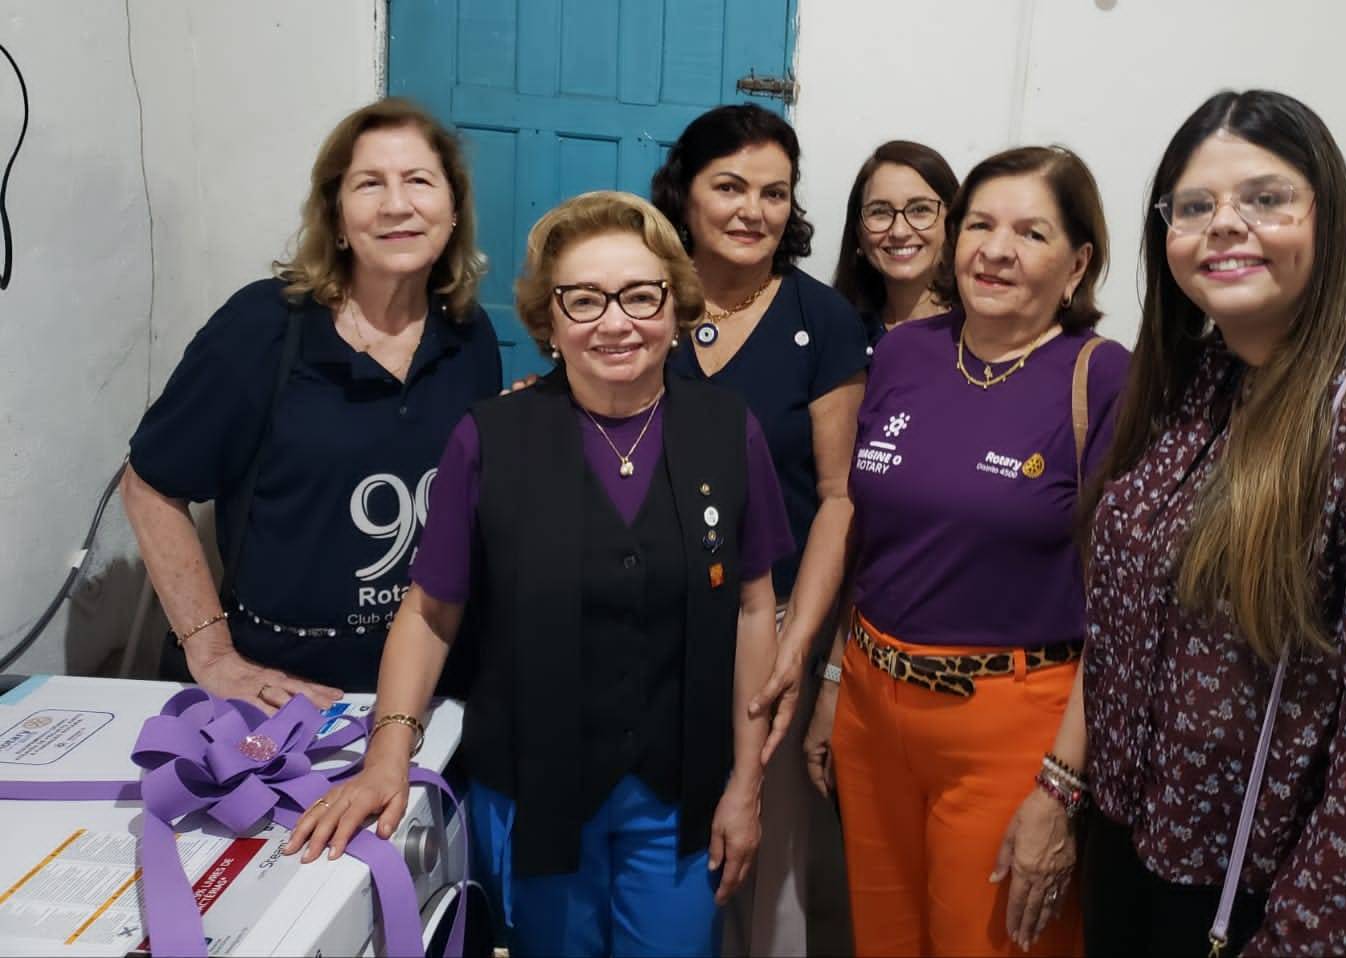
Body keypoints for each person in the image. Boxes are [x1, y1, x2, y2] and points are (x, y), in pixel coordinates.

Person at [1018, 89, 1346, 956]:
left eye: (1265, 198)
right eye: (1194, 207)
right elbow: (1126, 627)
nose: (1224, 225)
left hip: (1263, 900)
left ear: (1326, 217)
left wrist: (1309, 937)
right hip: (1129, 859)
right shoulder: (1196, 383)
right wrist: (1063, 791)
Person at [286, 190, 793, 957]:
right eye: (584, 299)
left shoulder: (727, 429)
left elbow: (756, 609)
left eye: (640, 295)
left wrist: (746, 786)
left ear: (675, 306)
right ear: (549, 320)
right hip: (532, 794)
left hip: (681, 804)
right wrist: (386, 757)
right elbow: (429, 613)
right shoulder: (493, 437)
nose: (615, 322)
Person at [806, 145, 1130, 957]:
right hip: (873, 712)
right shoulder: (909, 353)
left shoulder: (1103, 380)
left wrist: (1060, 788)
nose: (995, 248)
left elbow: (1125, 605)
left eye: (1030, 232)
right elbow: (872, 537)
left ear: (1078, 261)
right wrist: (834, 684)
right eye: (980, 223)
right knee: (881, 942)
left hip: (1010, 729)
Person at [121, 97, 501, 707]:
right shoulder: (263, 327)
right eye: (369, 183)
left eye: (420, 181)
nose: (397, 204)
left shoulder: (469, 334)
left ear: (453, 209)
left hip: (434, 686)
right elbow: (148, 487)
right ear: (337, 214)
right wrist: (213, 654)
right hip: (283, 688)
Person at [652, 103, 866, 956]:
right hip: (653, 628)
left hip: (771, 627)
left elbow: (838, 496)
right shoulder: (641, 303)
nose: (753, 210)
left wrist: (796, 643)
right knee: (663, 857)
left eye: (774, 192)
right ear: (686, 195)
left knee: (765, 865)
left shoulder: (823, 321)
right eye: (730, 186)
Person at [832, 140, 960, 345]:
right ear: (858, 233)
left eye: (920, 210)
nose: (899, 231)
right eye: (880, 212)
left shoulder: (984, 333)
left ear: (953, 222)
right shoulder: (833, 336)